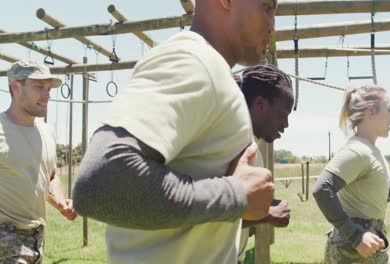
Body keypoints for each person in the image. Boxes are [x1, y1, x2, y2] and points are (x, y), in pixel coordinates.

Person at [72, 0, 278, 263]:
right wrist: (235, 195)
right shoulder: (195, 61)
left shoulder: (211, 69)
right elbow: (102, 180)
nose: (273, 26)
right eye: (267, 7)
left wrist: (240, 202)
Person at [313, 85, 390, 263]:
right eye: (389, 109)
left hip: (369, 242)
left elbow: (373, 198)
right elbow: (322, 189)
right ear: (371, 112)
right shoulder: (358, 151)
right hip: (354, 249)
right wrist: (356, 236)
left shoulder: (372, 151)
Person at [0, 60, 77, 263]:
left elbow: (49, 175)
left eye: (49, 88)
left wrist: (61, 202)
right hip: (5, 236)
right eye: (39, 87)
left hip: (37, 237)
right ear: (16, 87)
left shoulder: (45, 131)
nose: (47, 95)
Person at [235, 65, 293, 263]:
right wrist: (266, 214)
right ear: (260, 104)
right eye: (282, 115)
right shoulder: (235, 145)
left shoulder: (250, 143)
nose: (285, 125)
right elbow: (206, 212)